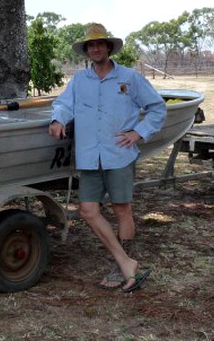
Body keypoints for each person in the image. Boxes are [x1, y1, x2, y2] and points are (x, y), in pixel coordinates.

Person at [48, 23, 166, 292]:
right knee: (88, 210)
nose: (96, 48)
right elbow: (64, 103)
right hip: (89, 154)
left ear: (109, 48)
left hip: (119, 154)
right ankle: (126, 261)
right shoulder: (80, 80)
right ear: (87, 51)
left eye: (100, 44)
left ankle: (120, 265)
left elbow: (157, 108)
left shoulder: (129, 78)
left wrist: (138, 132)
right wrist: (58, 119)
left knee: (121, 208)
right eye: (91, 45)